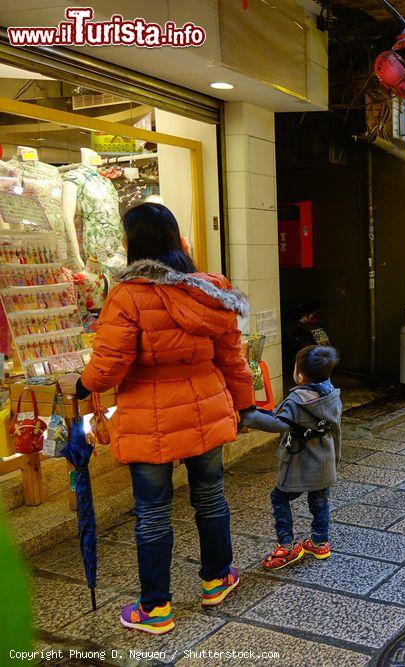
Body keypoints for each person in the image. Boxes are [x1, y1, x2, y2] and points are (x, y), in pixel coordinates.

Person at [57, 202, 253, 635]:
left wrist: (82, 386)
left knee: (152, 513)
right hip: (205, 409)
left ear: (134, 243)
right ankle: (217, 579)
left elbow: (109, 366)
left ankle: (156, 609)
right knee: (210, 498)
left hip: (149, 416)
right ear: (173, 238)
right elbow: (233, 360)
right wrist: (245, 406)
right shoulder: (211, 289)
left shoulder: (127, 295)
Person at [239, 345, 342, 570]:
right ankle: (319, 542)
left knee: (280, 498)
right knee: (320, 500)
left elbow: (279, 423)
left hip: (299, 461)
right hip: (324, 461)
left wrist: (248, 417)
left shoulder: (297, 400)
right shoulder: (333, 395)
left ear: (300, 375)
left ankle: (285, 546)